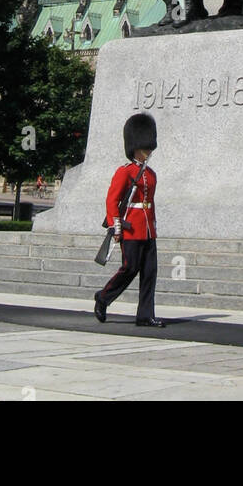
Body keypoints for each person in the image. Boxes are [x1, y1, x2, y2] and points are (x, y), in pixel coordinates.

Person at [94, 113, 165, 328]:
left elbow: (149, 204)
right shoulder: (125, 172)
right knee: (129, 267)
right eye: (145, 148)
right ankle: (103, 297)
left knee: (150, 273)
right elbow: (112, 199)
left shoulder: (151, 174)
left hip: (147, 231)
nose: (148, 152)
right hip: (131, 228)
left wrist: (152, 229)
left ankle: (145, 315)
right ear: (135, 147)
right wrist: (116, 225)